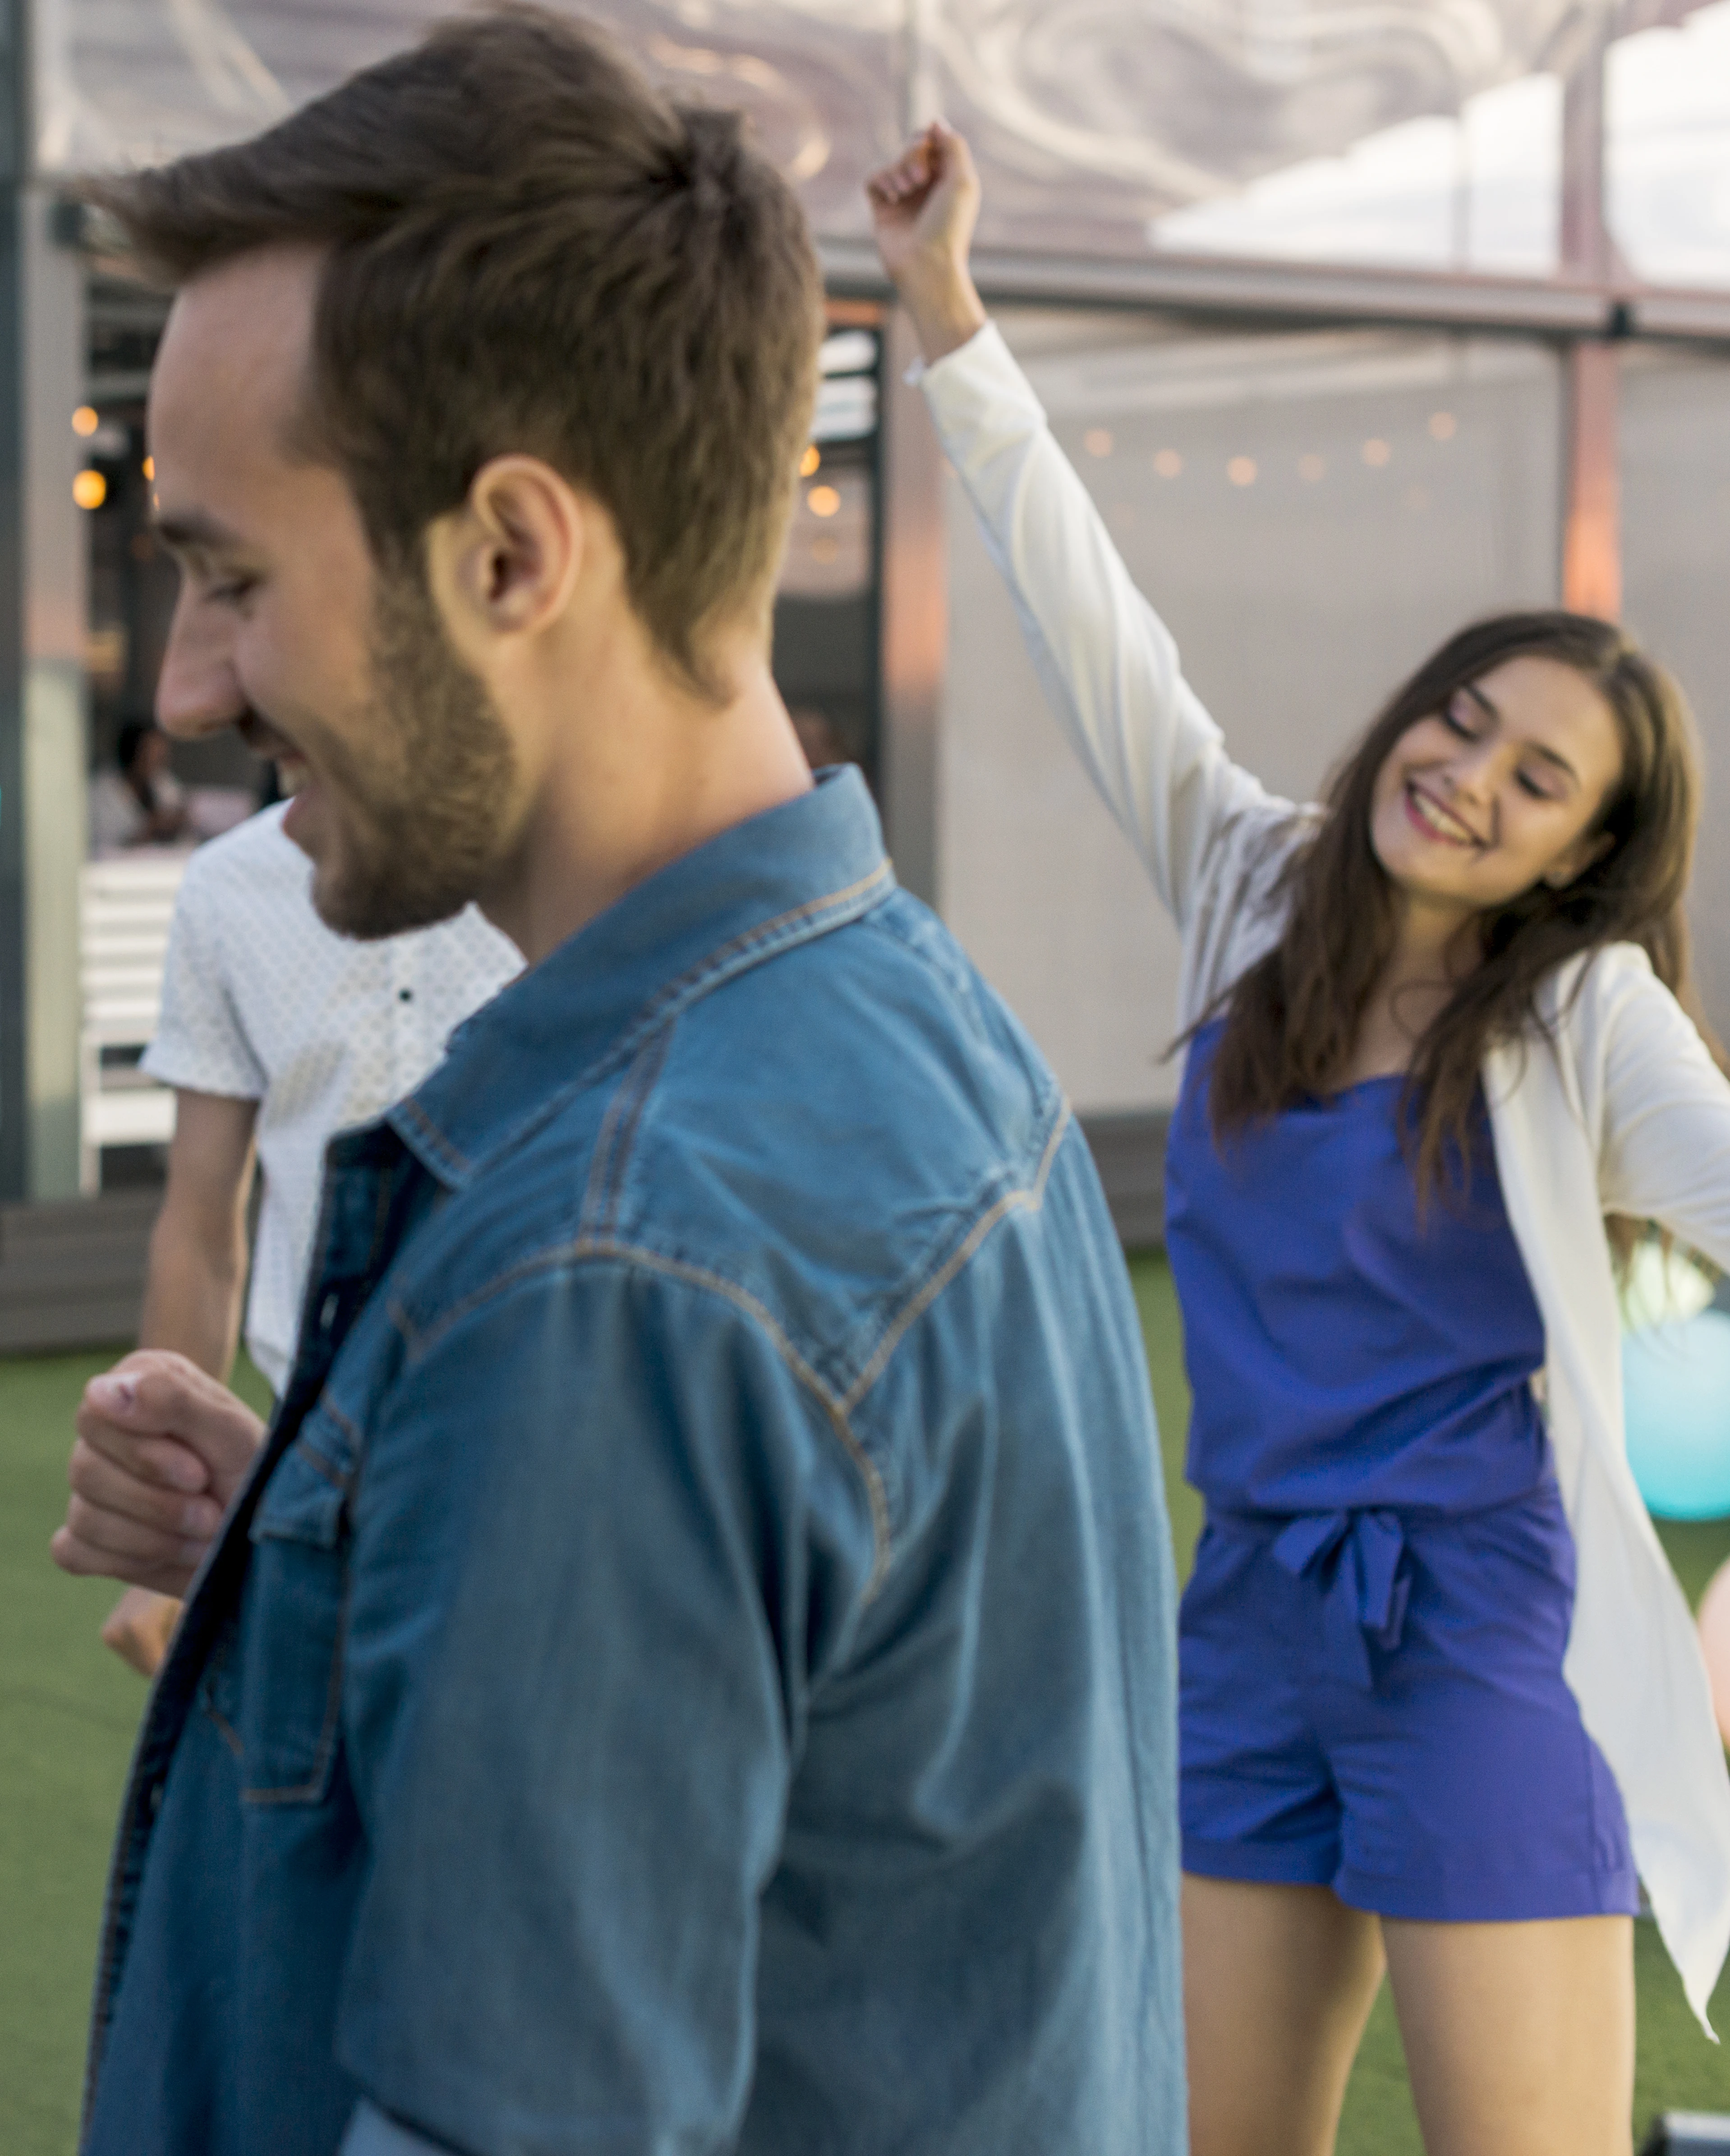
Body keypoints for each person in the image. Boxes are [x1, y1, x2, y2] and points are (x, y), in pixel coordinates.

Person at [46, 14, 1186, 2152]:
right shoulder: (904, 1020)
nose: (186, 687)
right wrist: (323, 1544)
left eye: (225, 575)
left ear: (506, 553)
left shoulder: (620, 1265)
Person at [876, 121, 1730, 2154]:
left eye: (1538, 779)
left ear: (1581, 855)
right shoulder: (1250, 886)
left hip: (1487, 1632)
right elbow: (1093, 624)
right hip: (1245, 1611)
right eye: (1464, 721)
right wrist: (945, 308)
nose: (1468, 778)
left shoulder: (1585, 1019)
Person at [97, 803, 518, 1677]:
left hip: (543, 1432)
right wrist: (163, 1513)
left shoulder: (558, 847)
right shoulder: (230, 885)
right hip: (309, 1451)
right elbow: (201, 1221)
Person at [88, 720, 192, 852]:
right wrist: (149, 829)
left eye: (160, 757)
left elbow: (179, 811)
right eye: (149, 755)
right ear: (132, 754)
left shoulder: (162, 780)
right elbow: (103, 844)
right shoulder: (103, 789)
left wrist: (177, 820)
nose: (157, 763)